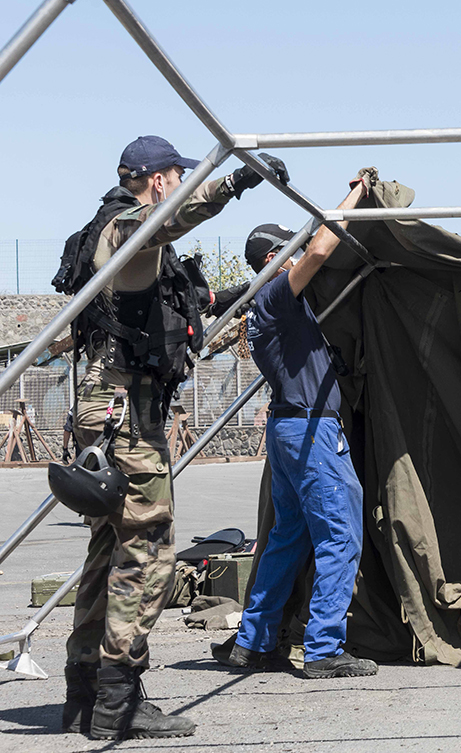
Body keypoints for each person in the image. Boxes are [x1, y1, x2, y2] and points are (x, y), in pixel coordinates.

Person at [61, 136, 287, 739]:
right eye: (177, 177)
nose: (180, 184)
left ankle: (85, 691)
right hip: (126, 416)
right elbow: (167, 220)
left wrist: (232, 295)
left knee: (108, 551)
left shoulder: (107, 236)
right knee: (148, 553)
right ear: (159, 180)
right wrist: (233, 183)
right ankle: (118, 700)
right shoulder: (128, 227)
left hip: (108, 411)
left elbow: (172, 300)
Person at [214, 168, 379, 679]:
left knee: (287, 538)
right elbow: (321, 249)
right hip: (311, 433)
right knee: (340, 536)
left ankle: (254, 642)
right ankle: (324, 648)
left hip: (289, 429)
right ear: (272, 260)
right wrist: (357, 194)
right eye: (287, 252)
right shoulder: (276, 298)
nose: (296, 257)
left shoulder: (265, 309)